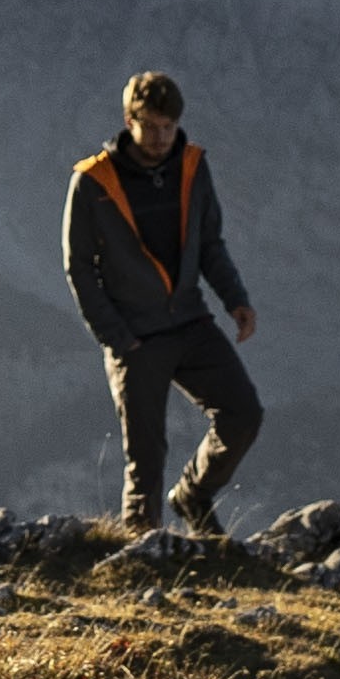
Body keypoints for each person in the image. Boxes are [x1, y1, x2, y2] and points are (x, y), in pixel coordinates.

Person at [64, 68, 263, 535]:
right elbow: (79, 268)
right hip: (135, 337)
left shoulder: (192, 166)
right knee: (146, 458)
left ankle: (192, 496)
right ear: (129, 121)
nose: (160, 138)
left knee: (243, 414)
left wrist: (236, 298)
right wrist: (116, 337)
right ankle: (142, 556)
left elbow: (210, 242)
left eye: (168, 127)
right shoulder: (94, 182)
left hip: (191, 322)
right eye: (150, 126)